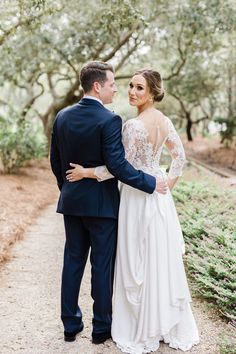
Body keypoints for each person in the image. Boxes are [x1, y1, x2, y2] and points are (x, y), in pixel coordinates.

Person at [66, 69, 200, 353]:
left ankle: (141, 324)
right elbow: (179, 158)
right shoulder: (165, 122)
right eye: (129, 86)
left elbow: (119, 167)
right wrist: (166, 184)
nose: (131, 92)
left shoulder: (132, 125)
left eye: (139, 88)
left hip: (137, 198)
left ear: (152, 92)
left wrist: (87, 172)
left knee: (135, 260)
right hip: (159, 197)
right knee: (156, 259)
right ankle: (162, 323)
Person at [50, 62, 168, 345]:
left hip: (72, 202)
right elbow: (117, 165)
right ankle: (101, 328)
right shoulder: (110, 119)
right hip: (103, 207)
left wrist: (67, 189)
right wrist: (151, 183)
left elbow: (55, 162)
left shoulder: (62, 116)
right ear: (97, 86)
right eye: (113, 84)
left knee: (73, 262)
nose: (117, 88)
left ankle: (70, 326)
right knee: (102, 266)